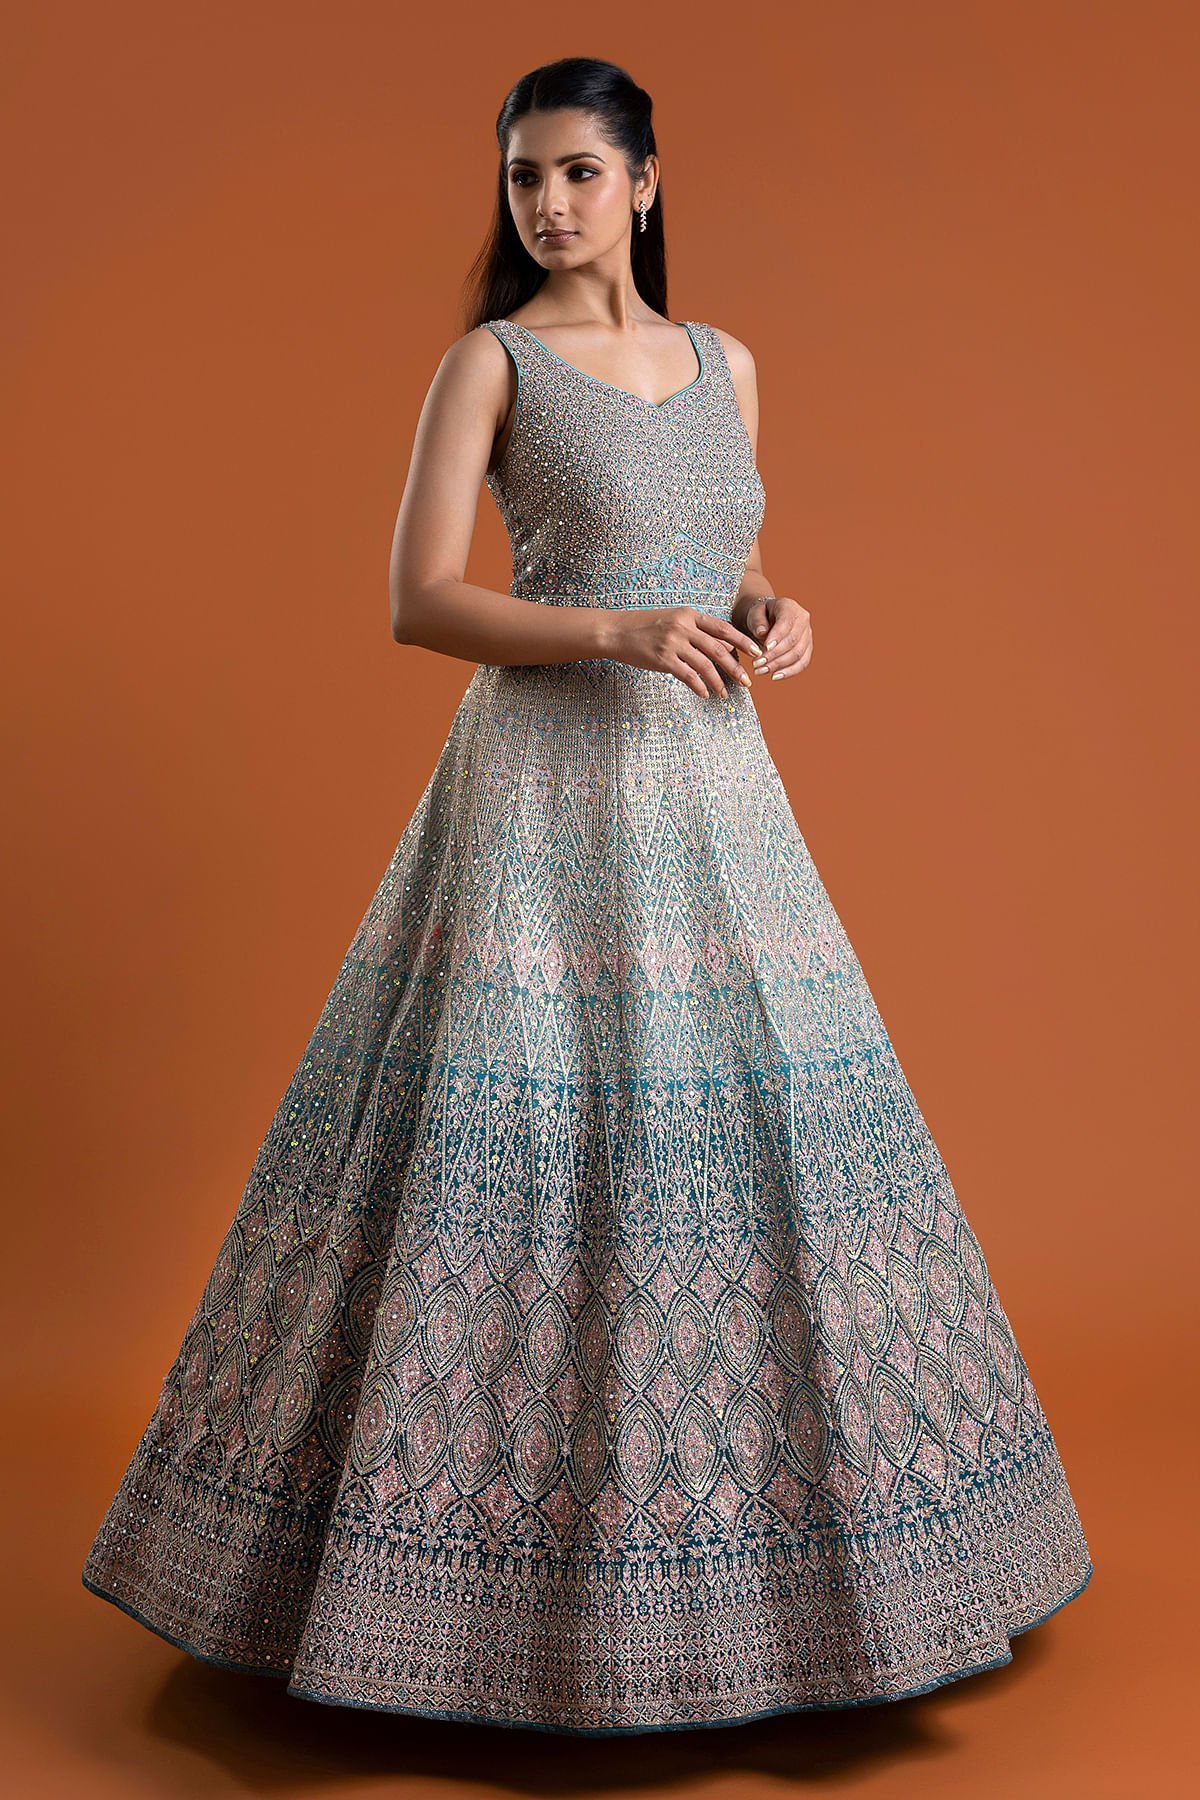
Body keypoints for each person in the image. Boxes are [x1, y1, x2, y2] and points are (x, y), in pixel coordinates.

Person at [82, 56, 1093, 1735]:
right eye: (522, 177)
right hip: (544, 800)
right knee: (522, 1144)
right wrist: (616, 630)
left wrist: (771, 607)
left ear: (645, 182)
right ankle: (455, 1602)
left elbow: (724, 551)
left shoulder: (726, 364)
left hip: (712, 797)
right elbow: (420, 598)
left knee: (749, 1144)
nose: (547, 204)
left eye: (576, 172)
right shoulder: (490, 364)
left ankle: (787, 1589)